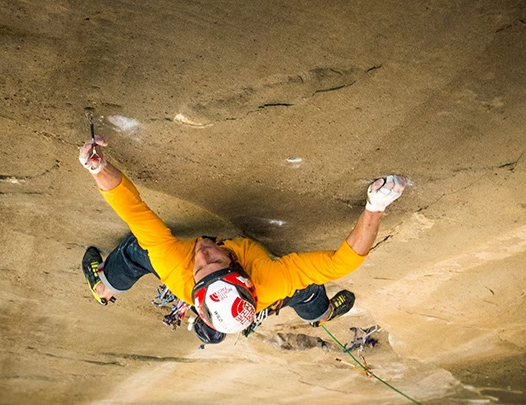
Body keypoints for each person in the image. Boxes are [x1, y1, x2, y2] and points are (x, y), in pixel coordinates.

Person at [78, 135, 408, 344]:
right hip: (253, 292)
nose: (204, 252)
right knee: (307, 293)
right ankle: (323, 317)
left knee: (140, 249)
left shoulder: (178, 267)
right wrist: (374, 208)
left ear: (196, 295)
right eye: (215, 260)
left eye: (203, 266)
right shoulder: (269, 280)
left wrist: (97, 167)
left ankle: (103, 286)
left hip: (188, 279)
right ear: (241, 271)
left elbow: (135, 212)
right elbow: (342, 263)